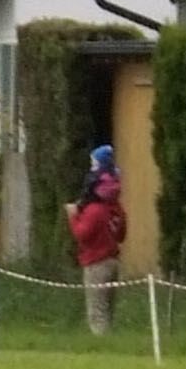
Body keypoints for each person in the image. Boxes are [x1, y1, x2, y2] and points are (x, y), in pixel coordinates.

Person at [67, 143, 126, 333]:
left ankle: (101, 341)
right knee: (108, 309)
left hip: (96, 263)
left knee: (97, 311)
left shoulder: (94, 210)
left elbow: (81, 234)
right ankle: (109, 339)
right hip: (113, 260)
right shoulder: (117, 209)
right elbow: (121, 235)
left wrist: (73, 216)